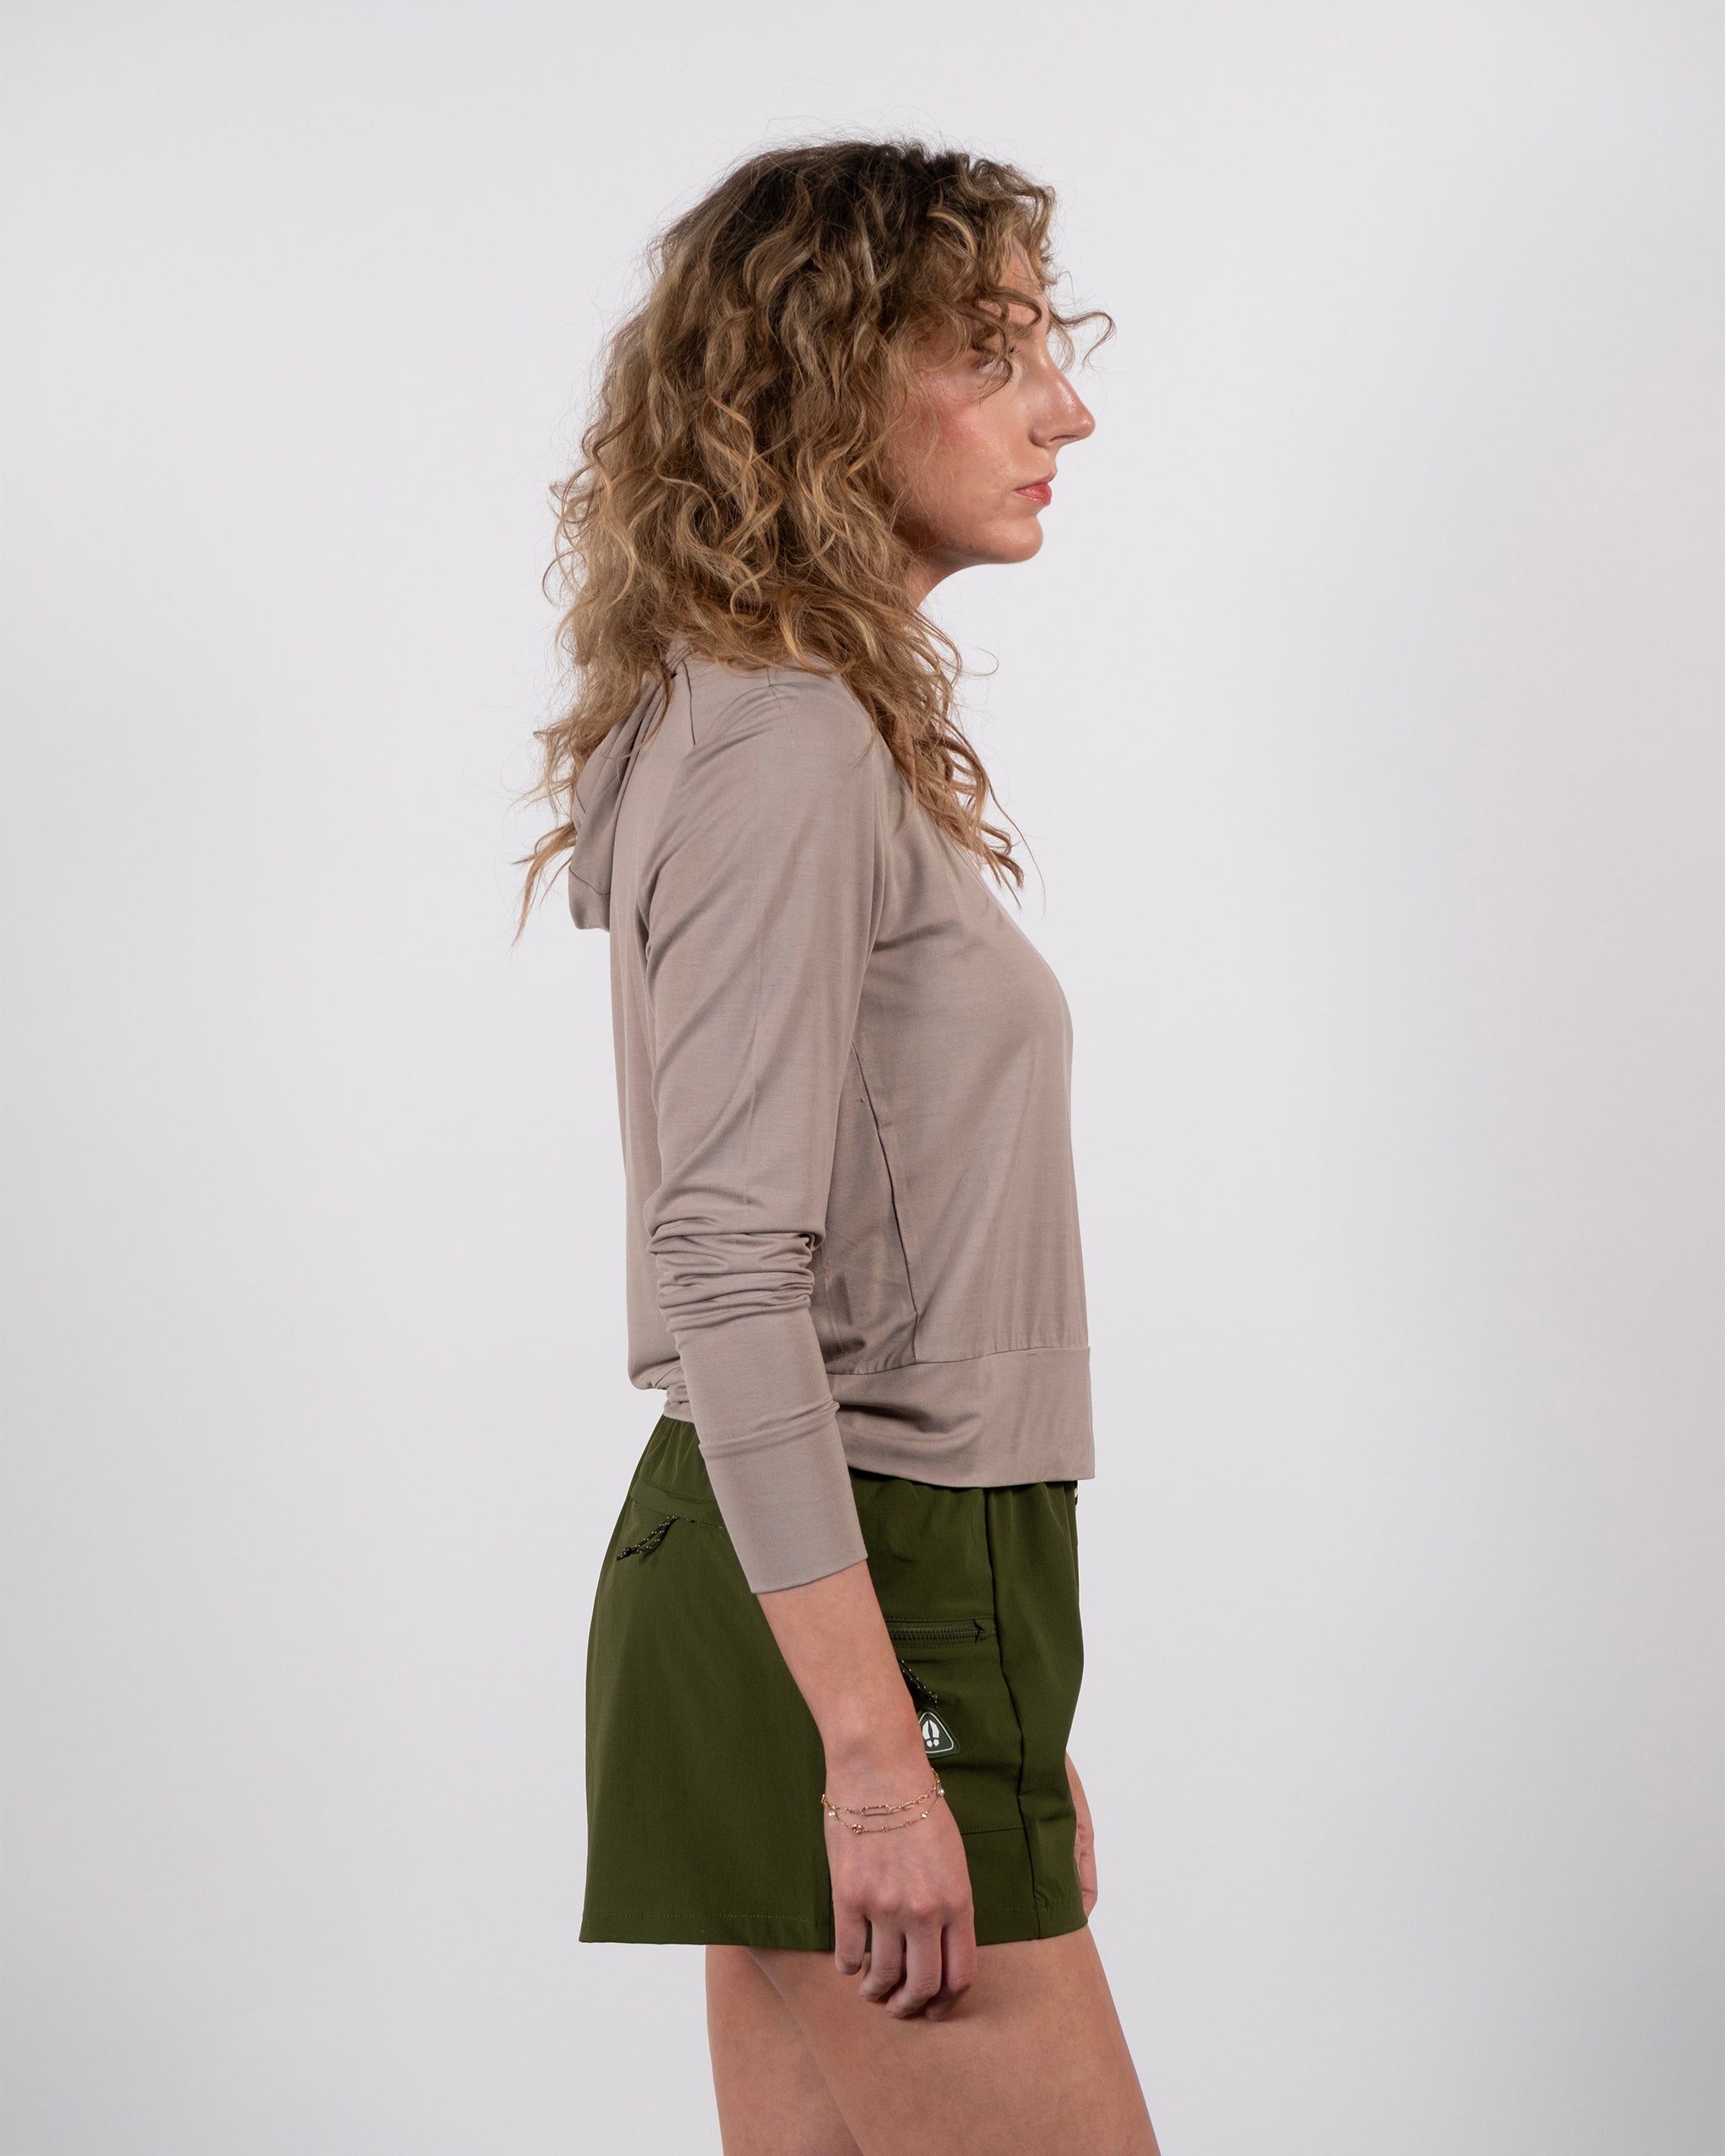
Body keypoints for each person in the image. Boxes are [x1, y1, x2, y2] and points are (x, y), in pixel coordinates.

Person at [516, 137, 1163, 2156]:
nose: (1064, 410)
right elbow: (727, 1259)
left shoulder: (783, 725)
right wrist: (884, 1747)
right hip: (865, 1565)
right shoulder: (779, 741)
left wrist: (984, 1693)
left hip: (876, 1571)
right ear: (821, 385)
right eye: (993, 353)